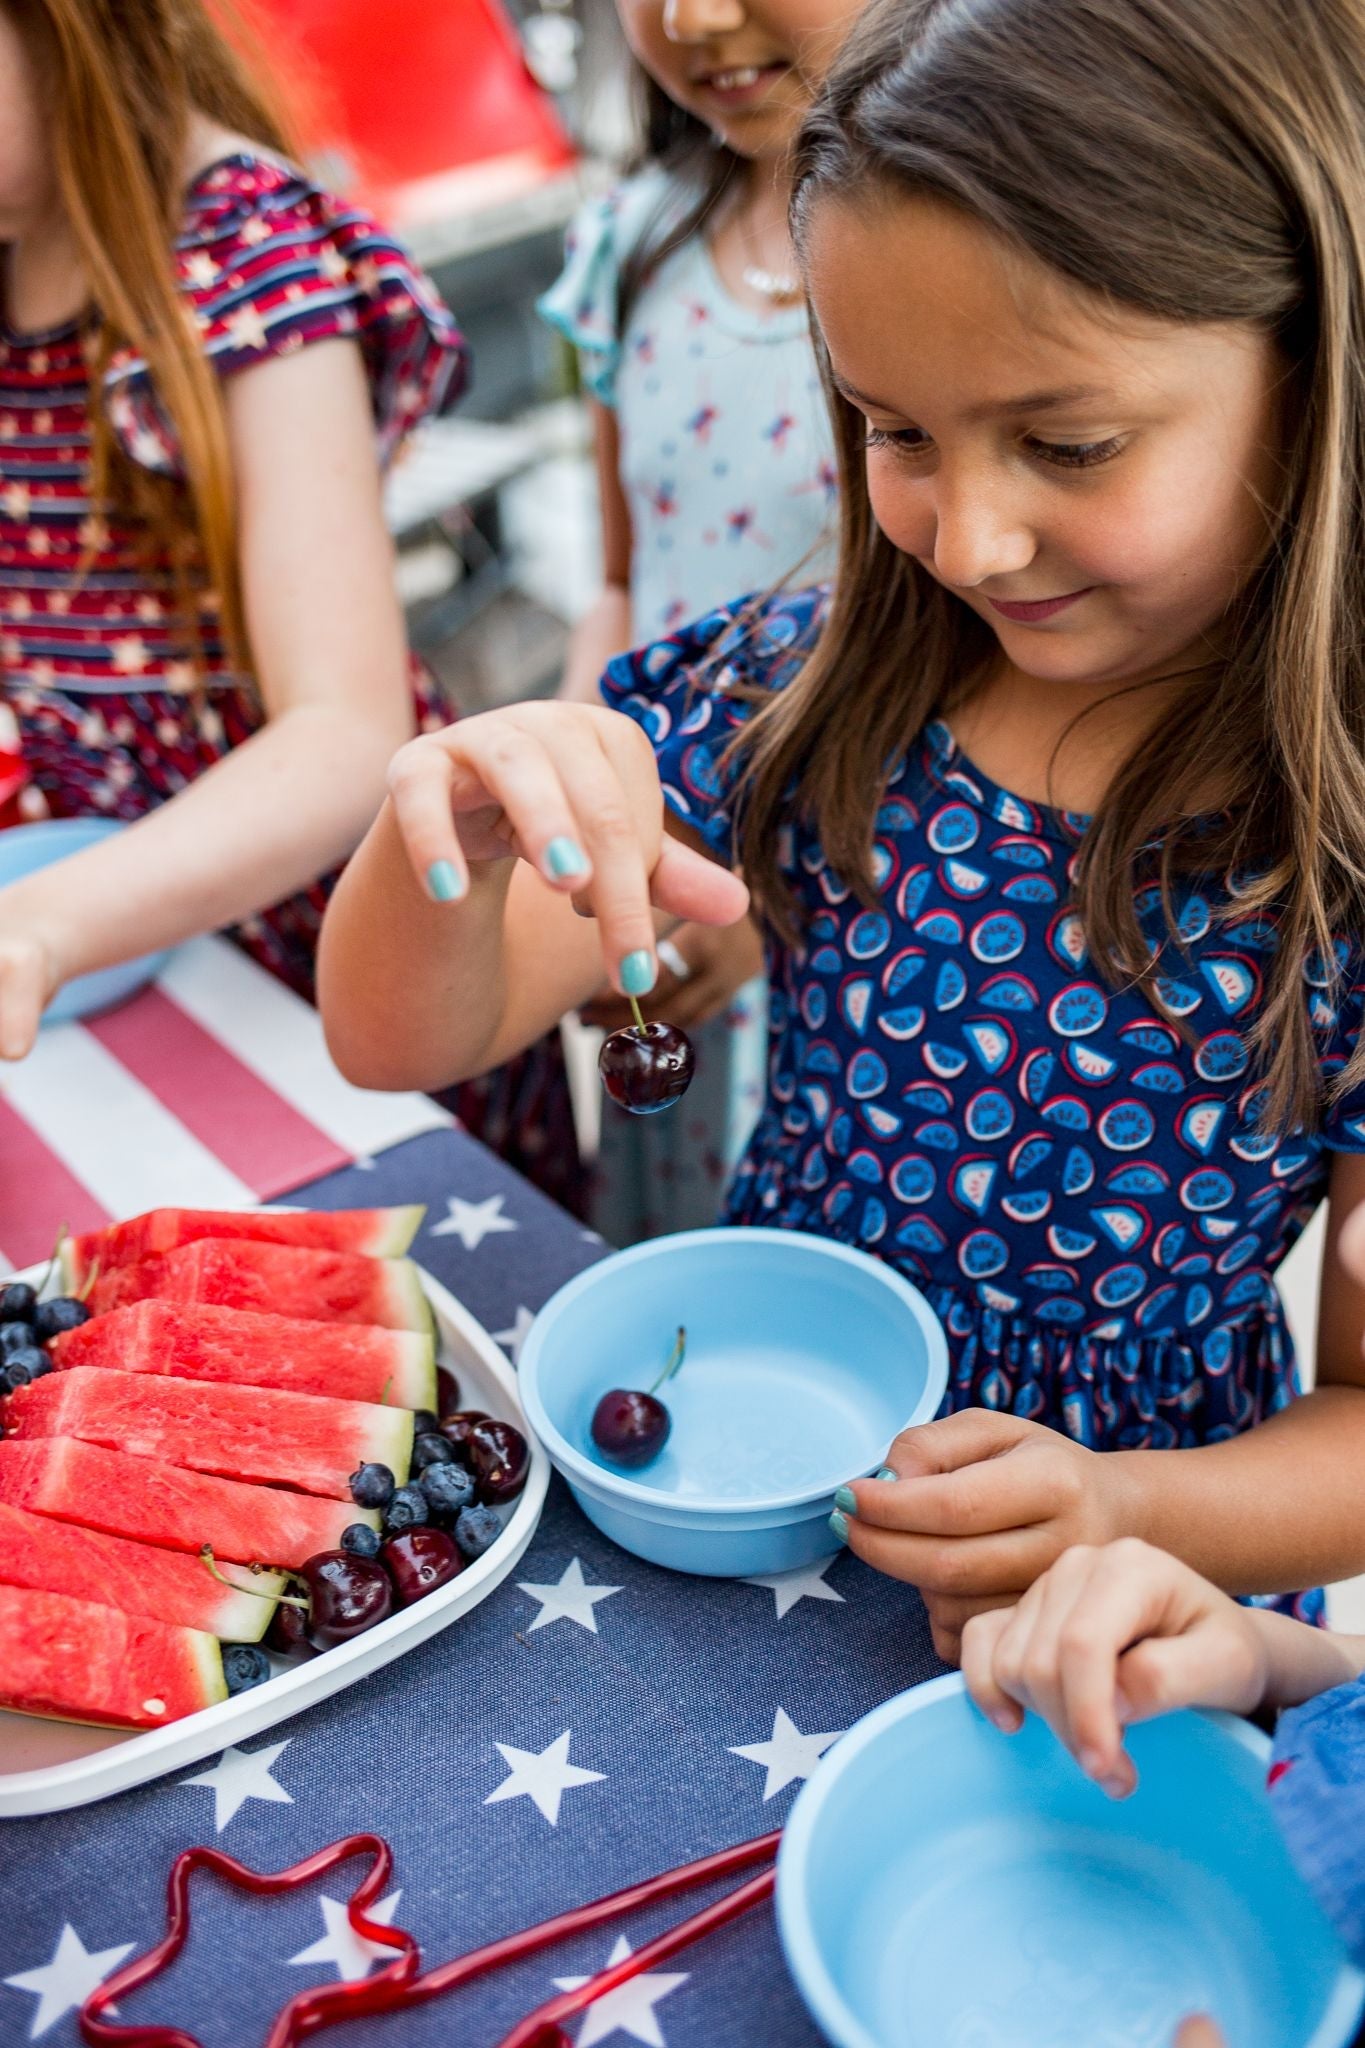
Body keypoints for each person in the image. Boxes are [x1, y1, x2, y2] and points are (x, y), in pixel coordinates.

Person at [318, 0, 1365, 1662]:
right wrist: (449, 813)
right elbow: (398, 1033)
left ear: (1315, 375)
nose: (973, 533)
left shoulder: (1340, 859)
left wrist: (1130, 1505)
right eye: (895, 431)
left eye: (1070, 441)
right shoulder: (802, 698)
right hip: (748, 1495)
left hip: (1102, 1618)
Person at [538, 0, 854, 1240]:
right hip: (656, 898)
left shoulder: (953, 251)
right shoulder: (630, 246)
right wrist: (571, 794)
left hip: (858, 893)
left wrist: (774, 887)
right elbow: (622, 579)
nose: (693, 17)